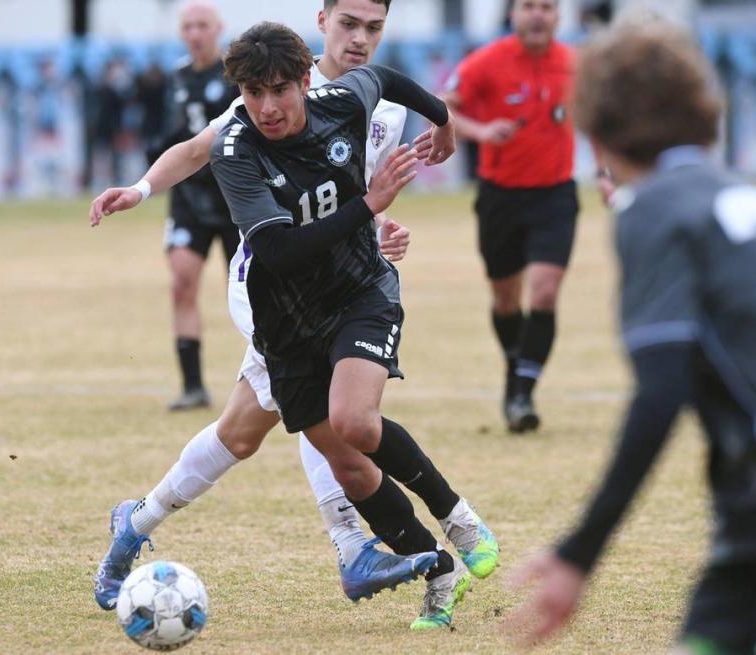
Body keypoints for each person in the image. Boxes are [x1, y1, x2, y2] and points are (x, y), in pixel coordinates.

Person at [90, 6, 499, 631]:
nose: (267, 105)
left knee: (341, 426)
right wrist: (142, 190)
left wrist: (441, 122)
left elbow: (388, 83)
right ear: (324, 22)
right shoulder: (237, 140)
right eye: (254, 93)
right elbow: (276, 244)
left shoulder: (355, 99)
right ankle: (427, 567)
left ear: (305, 79)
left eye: (372, 26)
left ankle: (425, 529)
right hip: (274, 304)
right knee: (289, 443)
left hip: (357, 290)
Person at [506, 23, 756, 653]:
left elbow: (660, 395)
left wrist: (579, 553)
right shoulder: (743, 196)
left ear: (596, 125)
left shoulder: (657, 212)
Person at [441, 0, 578, 433]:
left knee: (543, 294)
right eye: (528, 6)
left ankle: (521, 392)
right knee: (506, 299)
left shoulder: (575, 64)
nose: (538, 15)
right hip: (500, 197)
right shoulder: (486, 61)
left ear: (558, 16)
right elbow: (442, 104)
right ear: (512, 15)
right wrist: (480, 132)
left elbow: (603, 118)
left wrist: (611, 173)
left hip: (556, 195)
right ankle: (516, 369)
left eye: (548, 7)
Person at [153, 1, 242, 411]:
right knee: (182, 282)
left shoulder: (237, 76)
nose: (195, 33)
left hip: (235, 198)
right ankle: (193, 386)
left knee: (248, 292)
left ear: (218, 29)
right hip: (189, 198)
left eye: (202, 26)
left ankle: (272, 376)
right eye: (188, 26)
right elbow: (167, 132)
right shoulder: (175, 78)